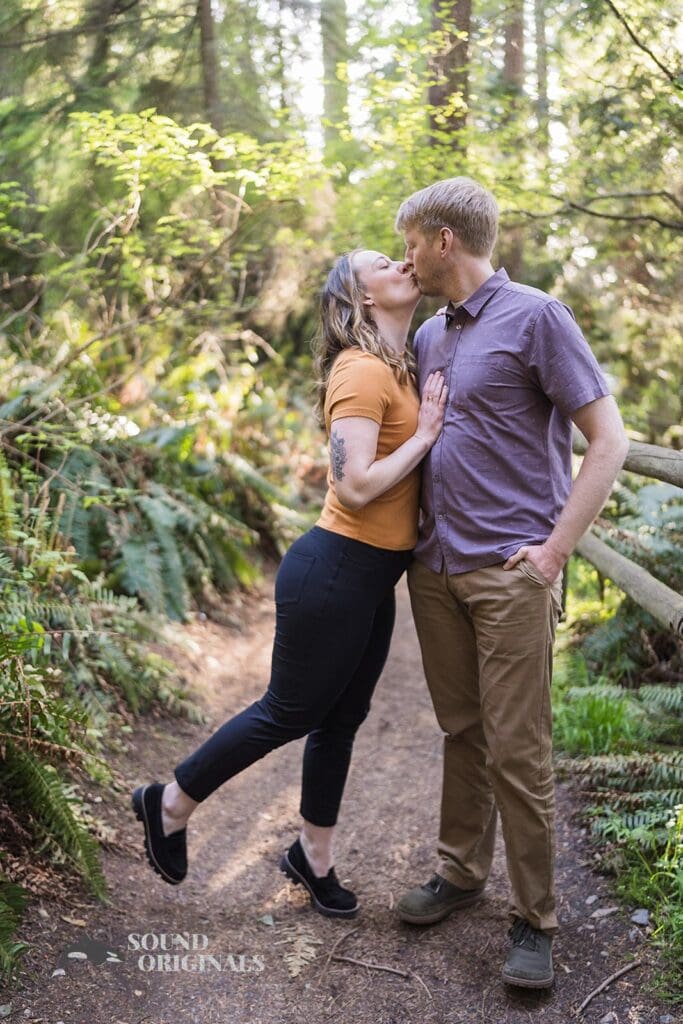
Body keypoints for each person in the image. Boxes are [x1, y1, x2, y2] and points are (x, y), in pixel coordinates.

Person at [132, 248, 447, 918]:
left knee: (341, 719)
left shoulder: (403, 364)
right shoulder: (360, 370)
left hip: (369, 575)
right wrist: (424, 437)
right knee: (290, 711)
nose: (402, 264)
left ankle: (313, 857)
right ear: (361, 298)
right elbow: (355, 486)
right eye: (384, 263)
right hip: (333, 568)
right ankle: (168, 804)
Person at [393, 177, 629, 987]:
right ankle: (460, 872)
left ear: (444, 240)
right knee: (462, 731)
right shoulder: (427, 336)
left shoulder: (537, 317)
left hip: (510, 573)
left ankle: (535, 919)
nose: (406, 257)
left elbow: (608, 440)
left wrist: (555, 552)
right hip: (437, 570)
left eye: (411, 242)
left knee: (518, 751)